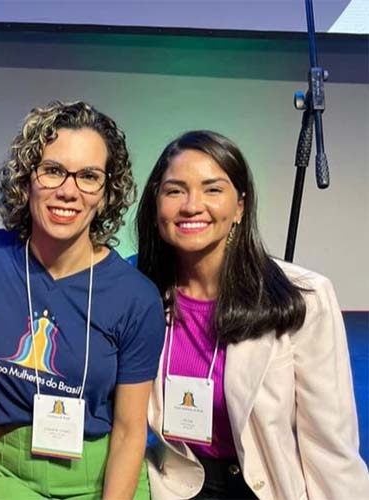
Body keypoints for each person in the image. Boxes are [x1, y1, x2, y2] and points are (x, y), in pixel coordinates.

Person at [136, 130, 369, 499]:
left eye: (213, 190)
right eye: (175, 190)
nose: (192, 205)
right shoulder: (138, 293)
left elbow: (330, 444)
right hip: (175, 486)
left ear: (240, 207)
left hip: (265, 487)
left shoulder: (302, 297)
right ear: (156, 205)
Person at [0, 100, 165, 499]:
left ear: (106, 194)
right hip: (5, 472)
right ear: (26, 179)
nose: (68, 191)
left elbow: (128, 430)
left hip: (104, 473)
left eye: (88, 176)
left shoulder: (136, 296)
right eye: (53, 171)